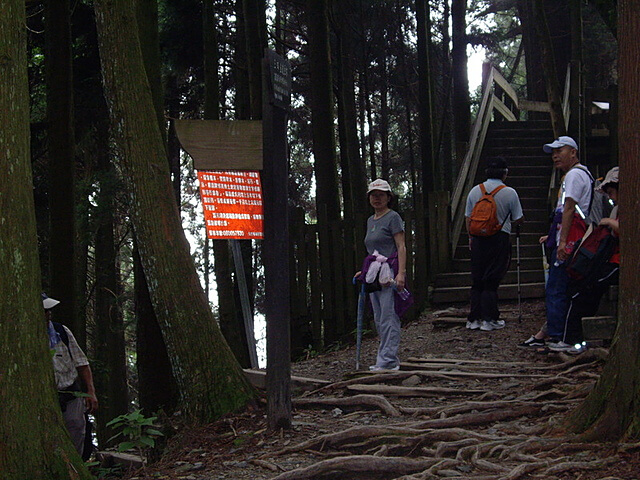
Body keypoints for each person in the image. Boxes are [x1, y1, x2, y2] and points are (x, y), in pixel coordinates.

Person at [550, 166, 619, 353]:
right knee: (580, 290)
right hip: (608, 261)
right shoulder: (616, 210)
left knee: (584, 291)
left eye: (612, 192)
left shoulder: (622, 211)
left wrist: (607, 222)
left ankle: (573, 340)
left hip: (617, 264)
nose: (611, 198)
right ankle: (574, 339)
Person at [536, 136, 593, 350]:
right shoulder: (577, 175)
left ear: (573, 152)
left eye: (560, 150)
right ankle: (560, 333)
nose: (555, 155)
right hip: (570, 237)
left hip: (570, 241)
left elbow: (569, 209)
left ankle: (560, 336)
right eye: (553, 152)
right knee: (561, 288)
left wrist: (562, 242)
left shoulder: (574, 175)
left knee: (557, 288)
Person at [355, 179, 410, 371]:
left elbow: (401, 246)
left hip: (389, 274)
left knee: (389, 315)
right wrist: (365, 270)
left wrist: (401, 273)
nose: (377, 199)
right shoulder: (371, 220)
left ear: (388, 197)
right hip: (374, 274)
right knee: (378, 316)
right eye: (373, 195)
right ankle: (384, 358)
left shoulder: (393, 217)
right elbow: (374, 250)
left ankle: (388, 360)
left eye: (381, 195)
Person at [464, 157, 524, 331]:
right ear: (505, 173)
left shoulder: (475, 191)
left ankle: (474, 318)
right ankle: (489, 319)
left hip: (477, 238)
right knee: (491, 278)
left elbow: (468, 217)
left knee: (477, 278)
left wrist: (470, 237)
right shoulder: (510, 192)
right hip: (499, 238)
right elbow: (518, 218)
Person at [44, 293, 98, 458]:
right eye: (45, 310)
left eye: (49, 310)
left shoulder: (62, 332)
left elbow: (82, 363)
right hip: (45, 398)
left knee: (76, 429)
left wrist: (90, 391)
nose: (48, 314)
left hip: (70, 395)